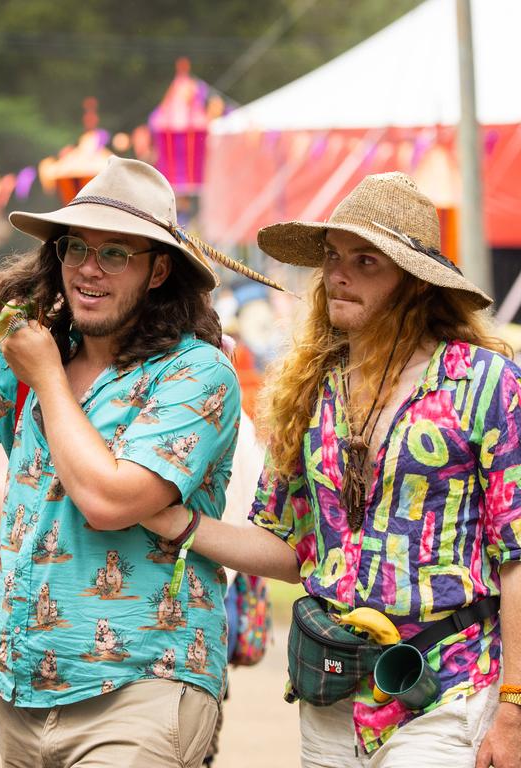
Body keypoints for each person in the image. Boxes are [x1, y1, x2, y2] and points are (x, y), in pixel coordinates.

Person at [0, 158, 280, 766]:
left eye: (116, 253)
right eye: (74, 248)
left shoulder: (196, 373)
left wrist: (45, 379)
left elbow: (110, 501)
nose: (89, 268)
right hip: (16, 685)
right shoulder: (36, 355)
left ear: (159, 270)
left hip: (140, 684)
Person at [142, 172, 521, 767]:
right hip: (331, 691)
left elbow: (518, 557)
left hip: (447, 685)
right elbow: (288, 548)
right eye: (333, 257)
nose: (339, 274)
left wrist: (514, 707)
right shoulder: (311, 389)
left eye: (367, 260)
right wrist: (172, 521)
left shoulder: (484, 383)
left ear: (416, 283)